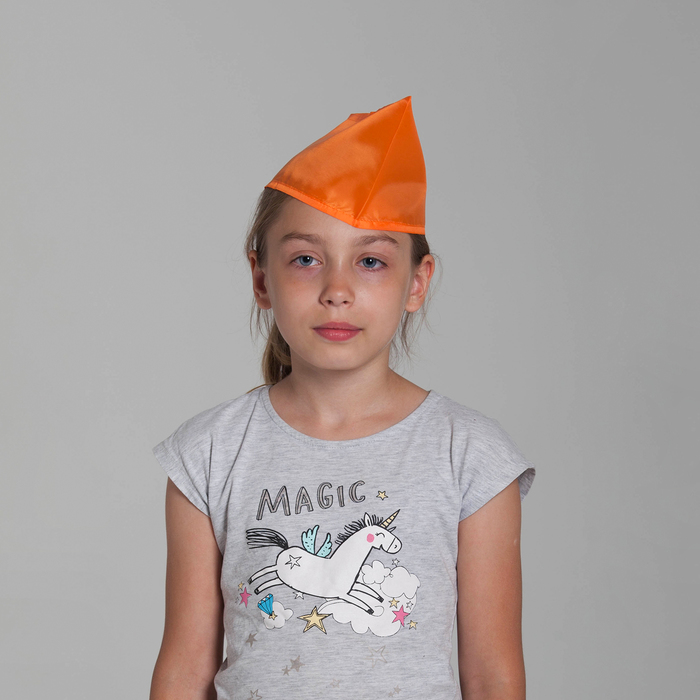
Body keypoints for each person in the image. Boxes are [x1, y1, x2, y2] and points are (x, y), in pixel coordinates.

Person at [149, 95, 536, 700]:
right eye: (306, 259)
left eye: (371, 261)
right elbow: (183, 670)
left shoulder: (471, 456)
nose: (337, 289)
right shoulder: (209, 452)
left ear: (417, 283)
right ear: (261, 278)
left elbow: (493, 677)